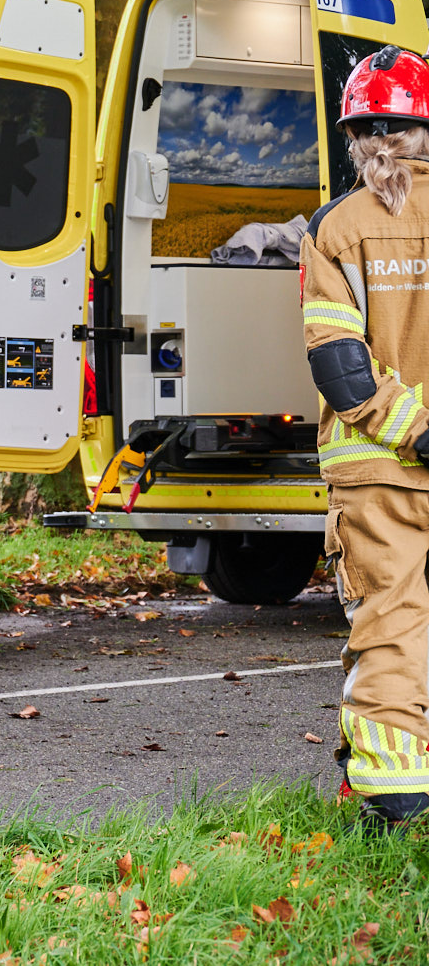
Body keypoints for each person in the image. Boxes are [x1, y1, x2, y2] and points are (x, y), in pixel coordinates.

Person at [299, 45, 429, 831]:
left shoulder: (336, 227)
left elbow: (341, 367)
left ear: (355, 135)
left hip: (379, 469)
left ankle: (392, 788)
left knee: (390, 618)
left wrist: (413, 429)